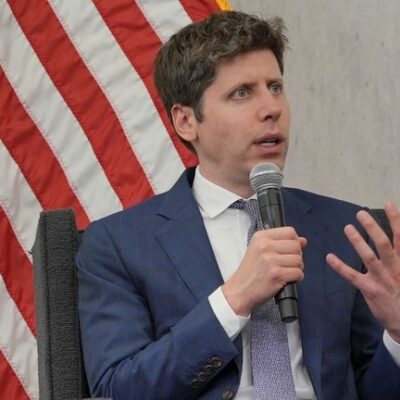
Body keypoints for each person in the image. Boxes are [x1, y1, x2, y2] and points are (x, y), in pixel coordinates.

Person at [76, 10, 400, 400]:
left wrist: (397, 337)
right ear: (186, 121)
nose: (272, 108)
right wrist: (233, 301)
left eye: (275, 87)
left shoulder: (345, 228)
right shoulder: (119, 245)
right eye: (242, 93)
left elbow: (374, 389)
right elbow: (116, 390)